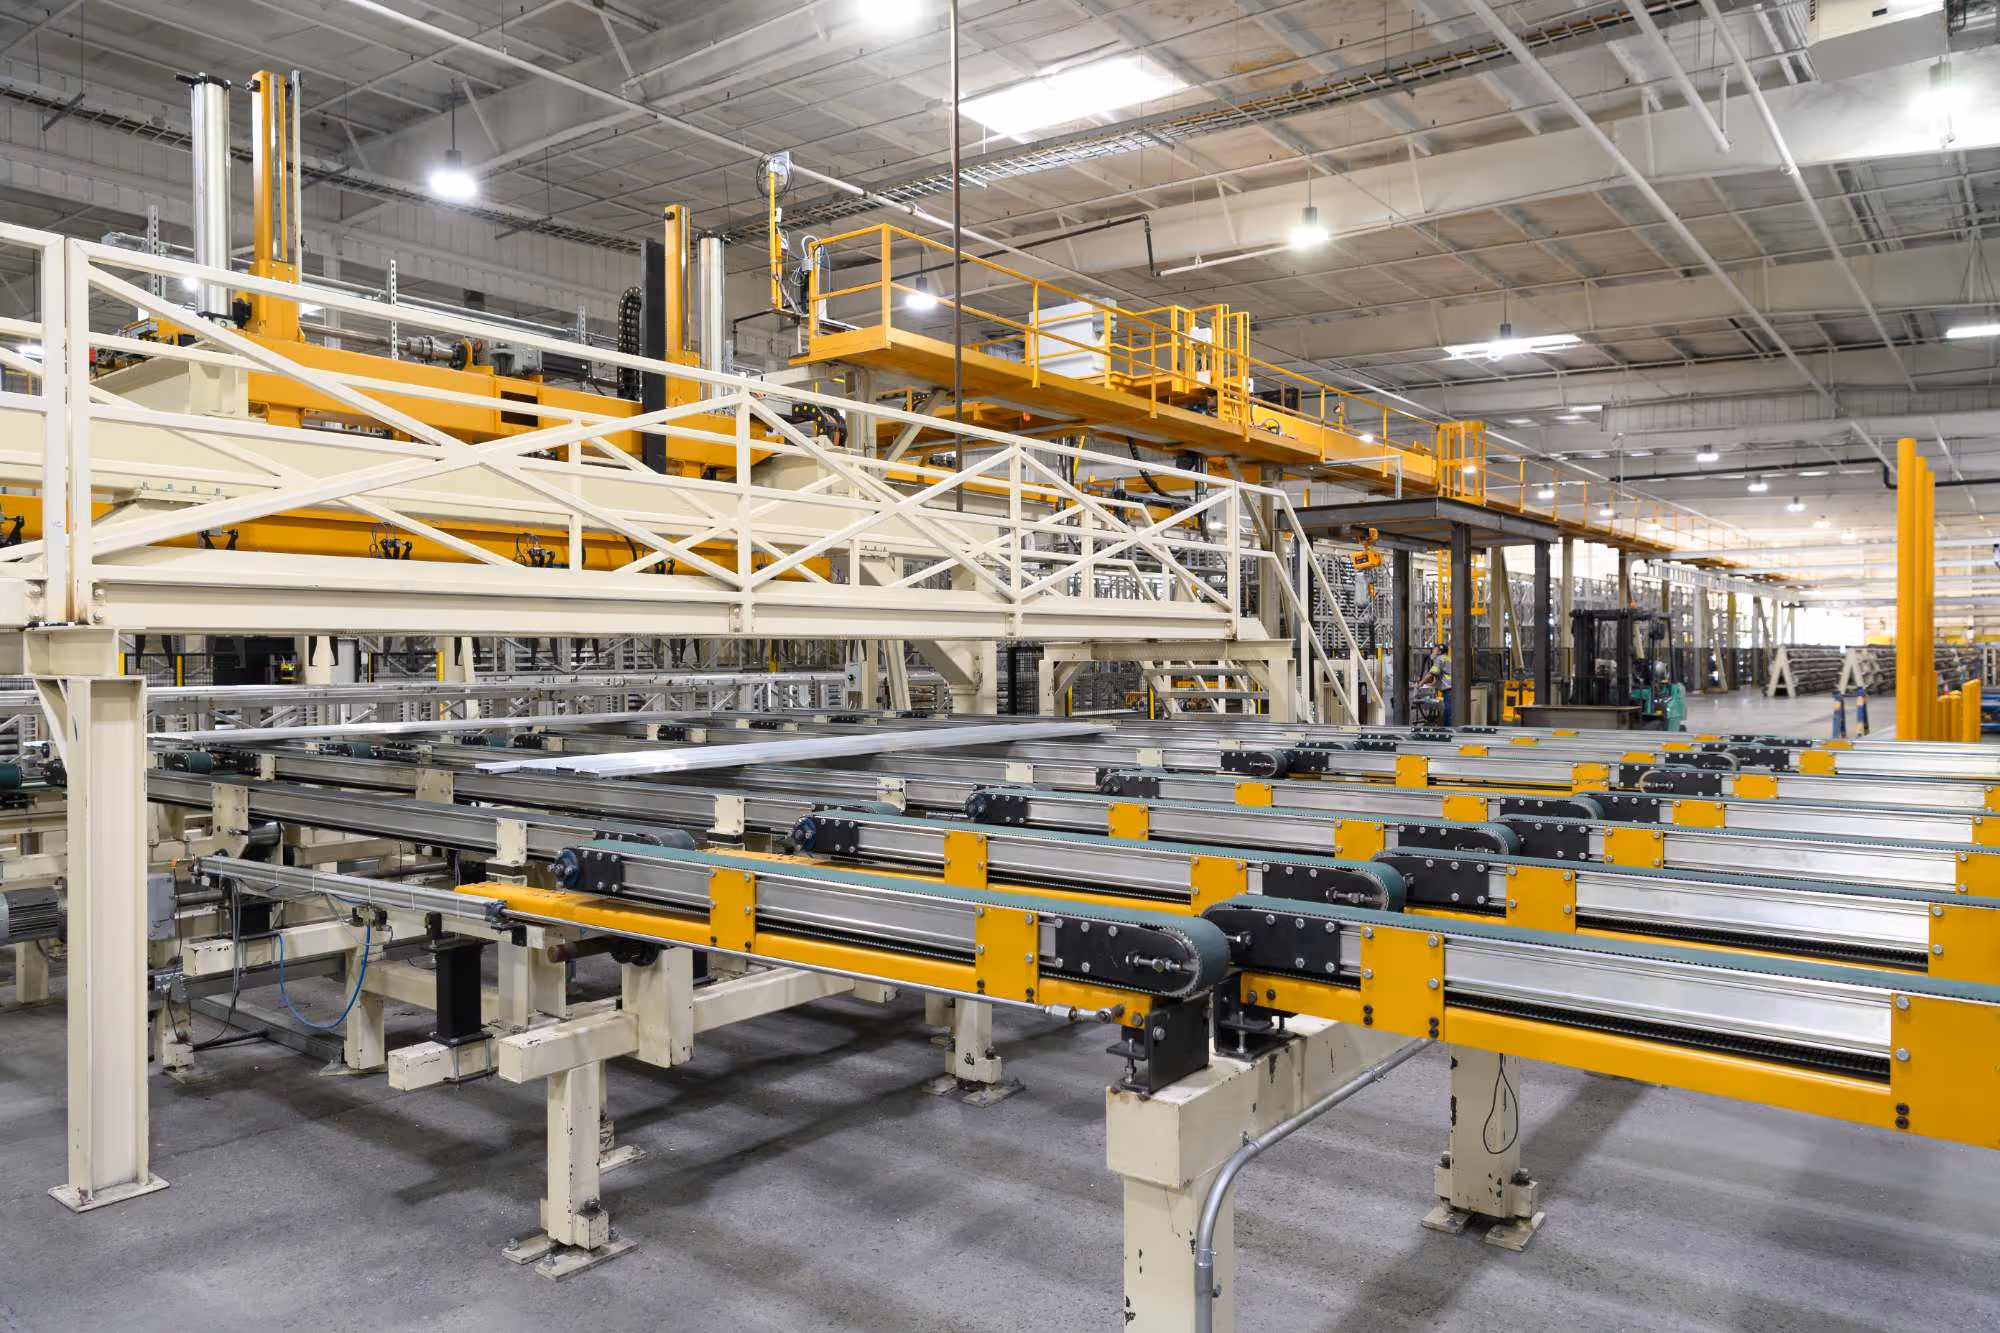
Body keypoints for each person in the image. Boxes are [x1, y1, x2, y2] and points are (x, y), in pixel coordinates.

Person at [1420, 644, 1453, 723]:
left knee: (1448, 714)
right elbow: (1440, 676)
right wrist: (1431, 685)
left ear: (1439, 651)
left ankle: (1448, 733)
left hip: (1449, 690)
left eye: (1434, 650)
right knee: (1449, 712)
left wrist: (1420, 684)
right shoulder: (1448, 658)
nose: (1432, 652)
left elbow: (1431, 673)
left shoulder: (1439, 658)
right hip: (1451, 689)